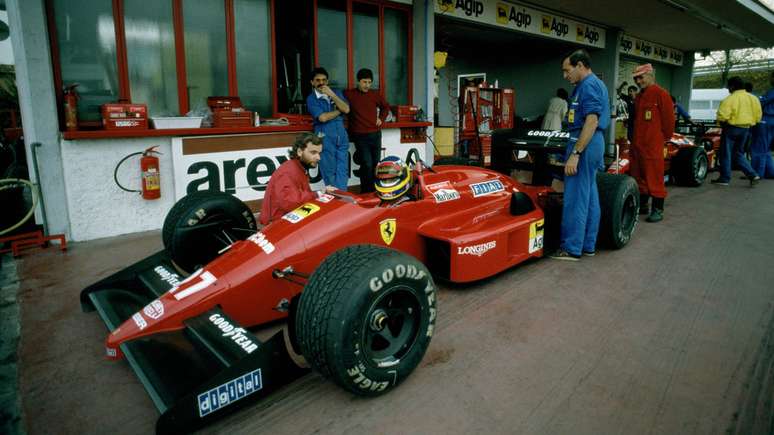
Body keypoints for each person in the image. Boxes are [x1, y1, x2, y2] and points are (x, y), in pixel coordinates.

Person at [549, 49, 609, 261]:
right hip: (590, 143)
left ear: (580, 66)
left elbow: (591, 121)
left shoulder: (589, 85)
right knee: (589, 197)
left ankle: (571, 248)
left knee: (575, 198)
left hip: (584, 143)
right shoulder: (589, 85)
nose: (565, 76)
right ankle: (588, 245)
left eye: (568, 71)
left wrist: (575, 153)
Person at [630, 63, 674, 223]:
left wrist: (662, 140)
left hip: (653, 145)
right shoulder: (639, 97)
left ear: (650, 76)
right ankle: (643, 205)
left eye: (641, 77)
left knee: (654, 176)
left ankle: (658, 209)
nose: (638, 81)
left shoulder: (661, 94)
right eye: (636, 78)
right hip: (637, 145)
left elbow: (669, 122)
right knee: (638, 176)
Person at [259, 133, 336, 225]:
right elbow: (289, 202)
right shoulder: (289, 172)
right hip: (277, 225)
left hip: (284, 220)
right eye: (313, 152)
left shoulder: (299, 167)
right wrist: (319, 193)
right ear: (299, 152)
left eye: (319, 153)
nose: (318, 158)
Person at [344, 68, 391, 193]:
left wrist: (381, 118)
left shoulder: (374, 94)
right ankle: (366, 192)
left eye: (369, 82)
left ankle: (375, 190)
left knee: (376, 164)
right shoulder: (349, 94)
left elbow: (386, 107)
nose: (367, 85)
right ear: (358, 81)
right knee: (367, 164)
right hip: (360, 135)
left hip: (375, 134)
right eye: (364, 82)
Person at [711, 76, 762, 186]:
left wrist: (721, 123)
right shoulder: (753, 98)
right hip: (746, 129)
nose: (728, 89)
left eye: (728, 87)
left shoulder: (730, 99)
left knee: (726, 153)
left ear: (732, 86)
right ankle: (753, 175)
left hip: (731, 129)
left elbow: (722, 116)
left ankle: (725, 178)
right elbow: (758, 116)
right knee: (738, 153)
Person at [306, 67, 350, 191]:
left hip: (341, 134)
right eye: (318, 80)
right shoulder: (311, 98)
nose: (321, 83)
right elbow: (323, 118)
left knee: (342, 168)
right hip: (324, 135)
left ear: (327, 81)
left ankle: (342, 196)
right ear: (312, 82)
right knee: (329, 169)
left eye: (324, 80)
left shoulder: (336, 92)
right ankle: (335, 199)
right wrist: (338, 111)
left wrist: (332, 94)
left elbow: (346, 109)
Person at [750, 71, 774, 178]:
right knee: (766, 148)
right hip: (772, 121)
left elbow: (761, 101)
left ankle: (756, 173)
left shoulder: (772, 91)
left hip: (765, 120)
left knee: (758, 147)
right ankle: (770, 172)